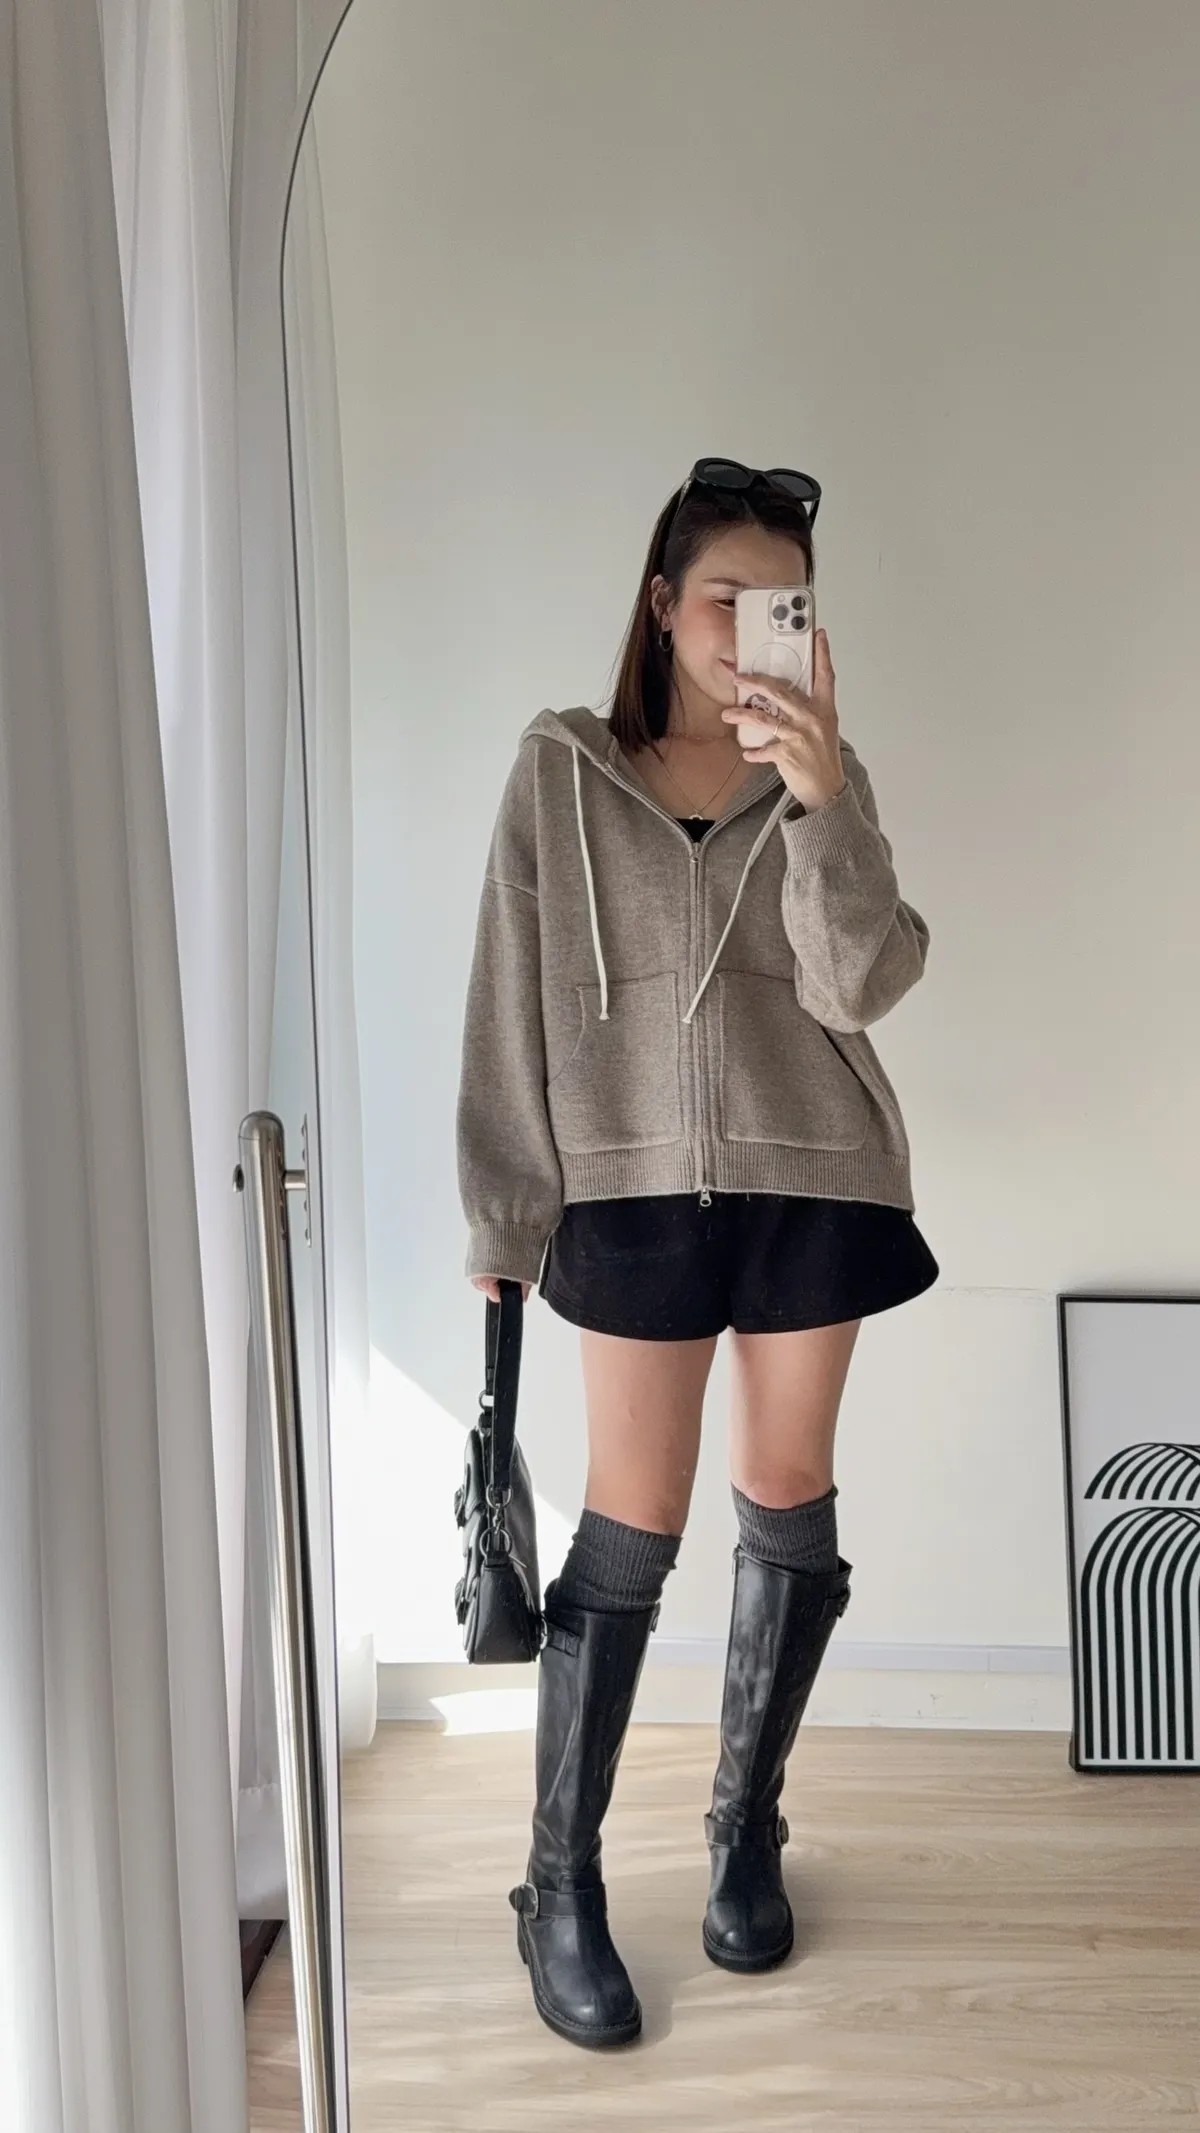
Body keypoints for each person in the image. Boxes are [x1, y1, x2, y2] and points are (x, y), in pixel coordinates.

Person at [455, 455, 938, 2050]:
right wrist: (502, 1212)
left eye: (786, 606)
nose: (752, 632)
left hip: (814, 1179)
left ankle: (744, 1828)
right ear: (663, 605)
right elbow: (507, 993)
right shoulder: (561, 771)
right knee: (632, 1524)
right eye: (728, 598)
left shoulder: (822, 776)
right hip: (629, 1189)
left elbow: (859, 984)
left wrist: (822, 797)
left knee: (787, 1497)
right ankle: (558, 1884)